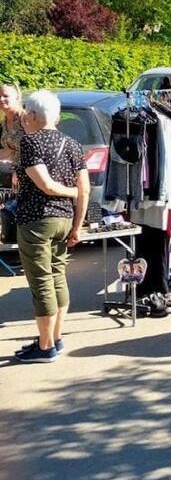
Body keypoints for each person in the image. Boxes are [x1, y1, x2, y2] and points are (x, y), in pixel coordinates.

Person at [13, 90, 90, 363]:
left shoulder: (29, 142)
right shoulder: (73, 144)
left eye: (26, 114)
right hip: (64, 219)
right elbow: (85, 189)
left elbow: (45, 185)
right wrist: (77, 226)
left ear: (33, 115)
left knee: (41, 282)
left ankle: (45, 347)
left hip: (36, 220)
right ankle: (54, 338)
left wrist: (70, 192)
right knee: (57, 276)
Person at [0, 82, 27, 190]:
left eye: (5, 96)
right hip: (14, 175)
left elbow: (36, 149)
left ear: (17, 97)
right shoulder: (4, 121)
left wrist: (20, 171)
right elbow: (10, 150)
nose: (1, 99)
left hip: (31, 173)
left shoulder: (25, 119)